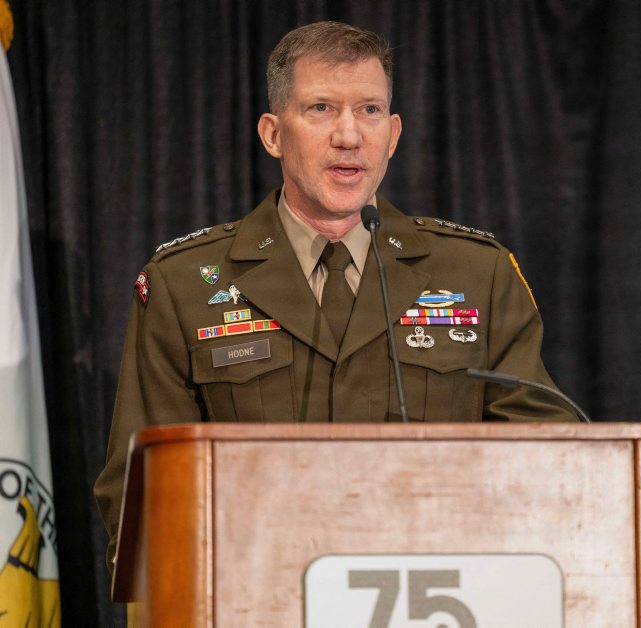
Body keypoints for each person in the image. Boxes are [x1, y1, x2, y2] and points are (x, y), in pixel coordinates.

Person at [93, 21, 573, 568]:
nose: (349, 135)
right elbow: (142, 486)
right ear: (273, 134)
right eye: (321, 108)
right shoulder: (184, 284)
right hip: (255, 590)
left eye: (369, 110)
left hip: (432, 587)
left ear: (393, 134)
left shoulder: (477, 274)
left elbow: (548, 452)